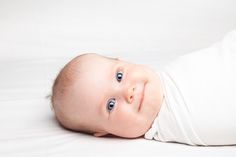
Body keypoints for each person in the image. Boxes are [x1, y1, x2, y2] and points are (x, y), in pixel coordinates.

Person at [51, 30, 236, 146]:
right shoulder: (175, 123)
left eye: (119, 76)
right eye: (111, 105)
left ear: (122, 61)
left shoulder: (173, 73)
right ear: (106, 133)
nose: (127, 92)